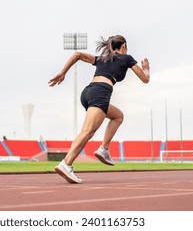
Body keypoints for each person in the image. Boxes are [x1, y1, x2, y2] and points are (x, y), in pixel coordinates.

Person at [48, 35, 150, 184]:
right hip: (101, 92)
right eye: (126, 48)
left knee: (118, 116)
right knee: (87, 131)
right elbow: (145, 79)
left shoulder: (103, 58)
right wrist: (146, 69)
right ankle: (66, 163)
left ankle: (104, 149)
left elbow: (78, 54)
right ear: (123, 46)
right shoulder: (127, 58)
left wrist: (63, 72)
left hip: (88, 92)